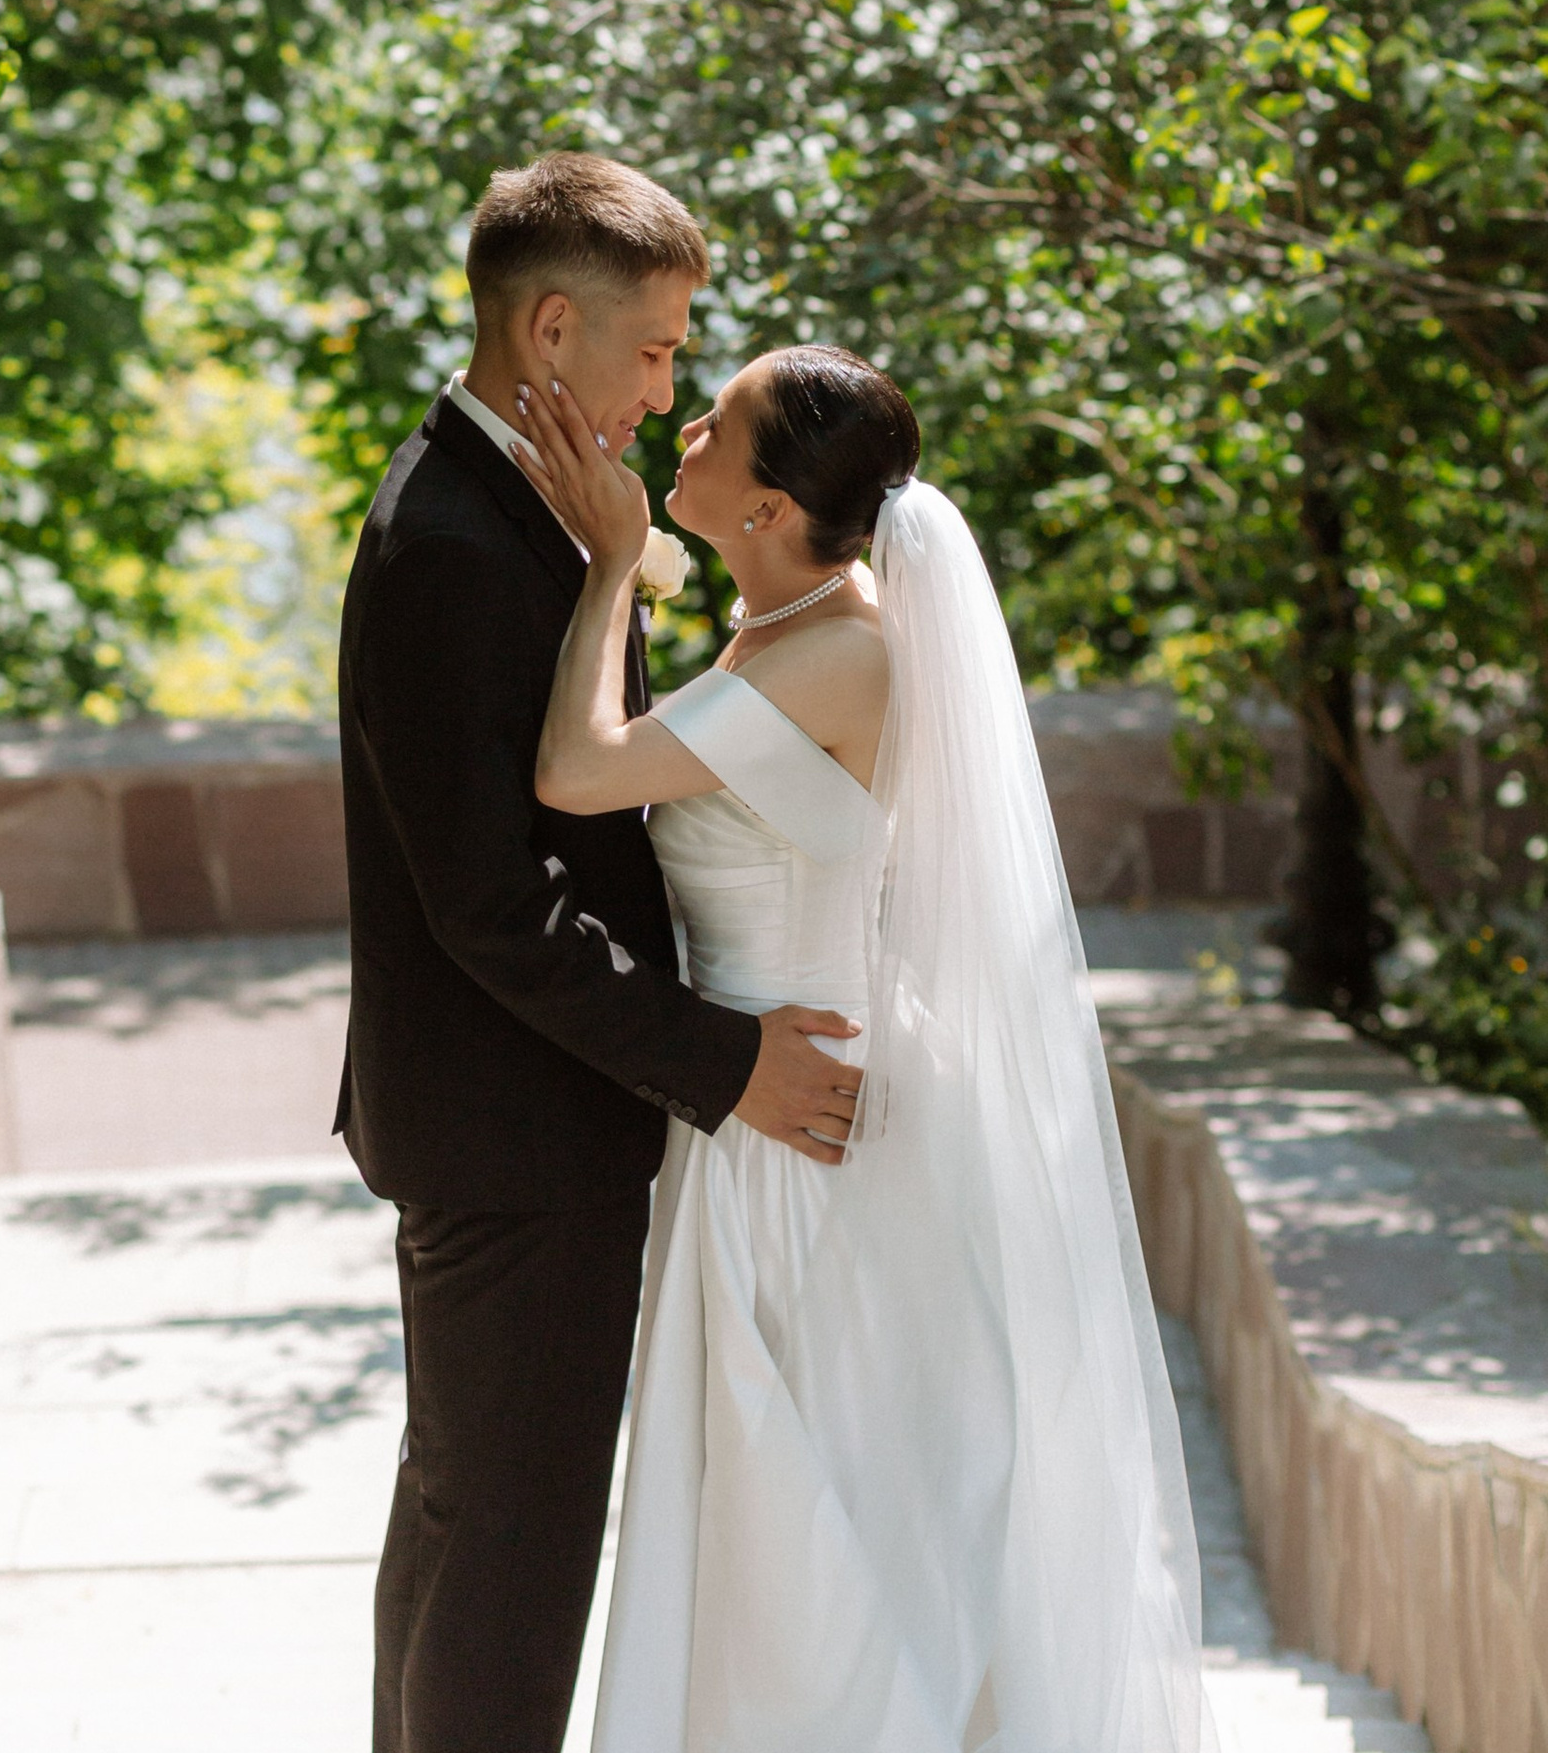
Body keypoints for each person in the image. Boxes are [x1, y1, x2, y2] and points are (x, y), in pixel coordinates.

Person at [517, 342, 1216, 1753]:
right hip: (778, 1092)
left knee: (813, 1545)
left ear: (771, 510)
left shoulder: (842, 653)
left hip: (808, 1137)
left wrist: (611, 566)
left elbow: (578, 774)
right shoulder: (795, 629)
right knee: (803, 1520)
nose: (688, 422)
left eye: (722, 421)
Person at [335, 154, 860, 1753]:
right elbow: (493, 903)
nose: (671, 381)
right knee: (509, 1550)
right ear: (550, 331)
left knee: (468, 1524)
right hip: (515, 1131)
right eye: (655, 349)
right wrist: (724, 1064)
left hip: (526, 1117)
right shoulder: (453, 540)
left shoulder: (537, 505)